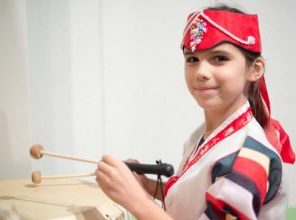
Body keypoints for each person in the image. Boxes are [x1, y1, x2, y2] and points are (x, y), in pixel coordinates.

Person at [95, 4, 295, 220]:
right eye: (192, 59)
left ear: (255, 69)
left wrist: (134, 199)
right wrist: (144, 184)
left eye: (219, 58)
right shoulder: (206, 135)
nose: (201, 72)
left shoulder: (250, 156)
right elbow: (196, 198)